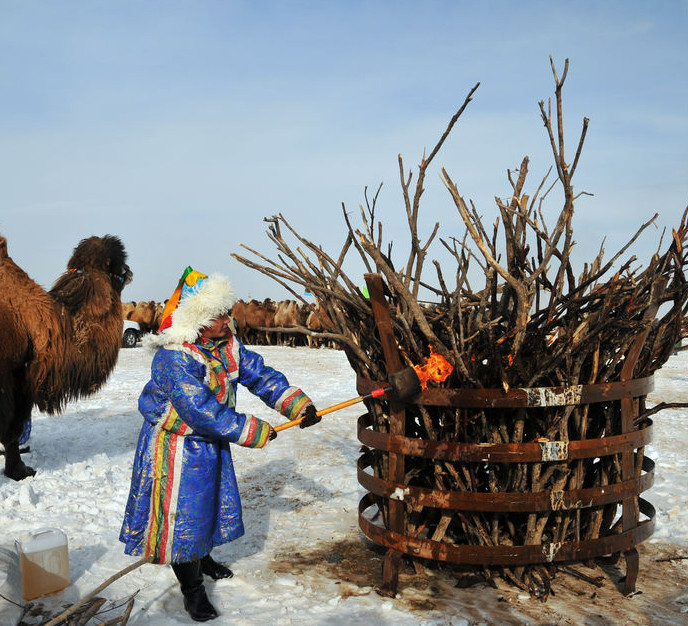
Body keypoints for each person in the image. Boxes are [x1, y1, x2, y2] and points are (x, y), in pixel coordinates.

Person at [119, 267, 320, 622]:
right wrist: (250, 430)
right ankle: (192, 591)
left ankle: (203, 557)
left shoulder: (226, 345)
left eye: (226, 312)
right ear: (196, 319)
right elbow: (198, 408)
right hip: (177, 450)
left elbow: (260, 375)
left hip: (209, 442)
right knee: (184, 517)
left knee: (206, 505)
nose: (228, 320)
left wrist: (296, 403)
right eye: (218, 315)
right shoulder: (174, 357)